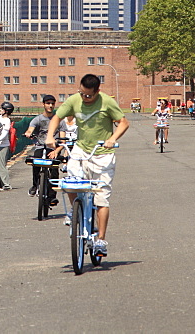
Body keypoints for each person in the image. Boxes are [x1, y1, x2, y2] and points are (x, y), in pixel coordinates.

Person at [46, 74, 129, 257]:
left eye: (88, 96)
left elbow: (123, 122)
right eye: (82, 93)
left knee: (101, 198)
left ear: (97, 91)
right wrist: (50, 136)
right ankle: (74, 211)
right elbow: (56, 117)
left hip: (102, 155)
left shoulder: (107, 102)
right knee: (70, 182)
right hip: (81, 150)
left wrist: (112, 138)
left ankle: (100, 240)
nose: (84, 98)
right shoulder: (74, 100)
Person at [24, 95, 60, 204]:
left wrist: (57, 148)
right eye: (48, 103)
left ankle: (52, 196)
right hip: (40, 146)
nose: (50, 105)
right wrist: (28, 133)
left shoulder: (59, 119)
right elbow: (30, 129)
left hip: (53, 148)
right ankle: (35, 185)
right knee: (36, 162)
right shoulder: (38, 119)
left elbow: (63, 135)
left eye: (52, 103)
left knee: (54, 171)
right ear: (43, 104)